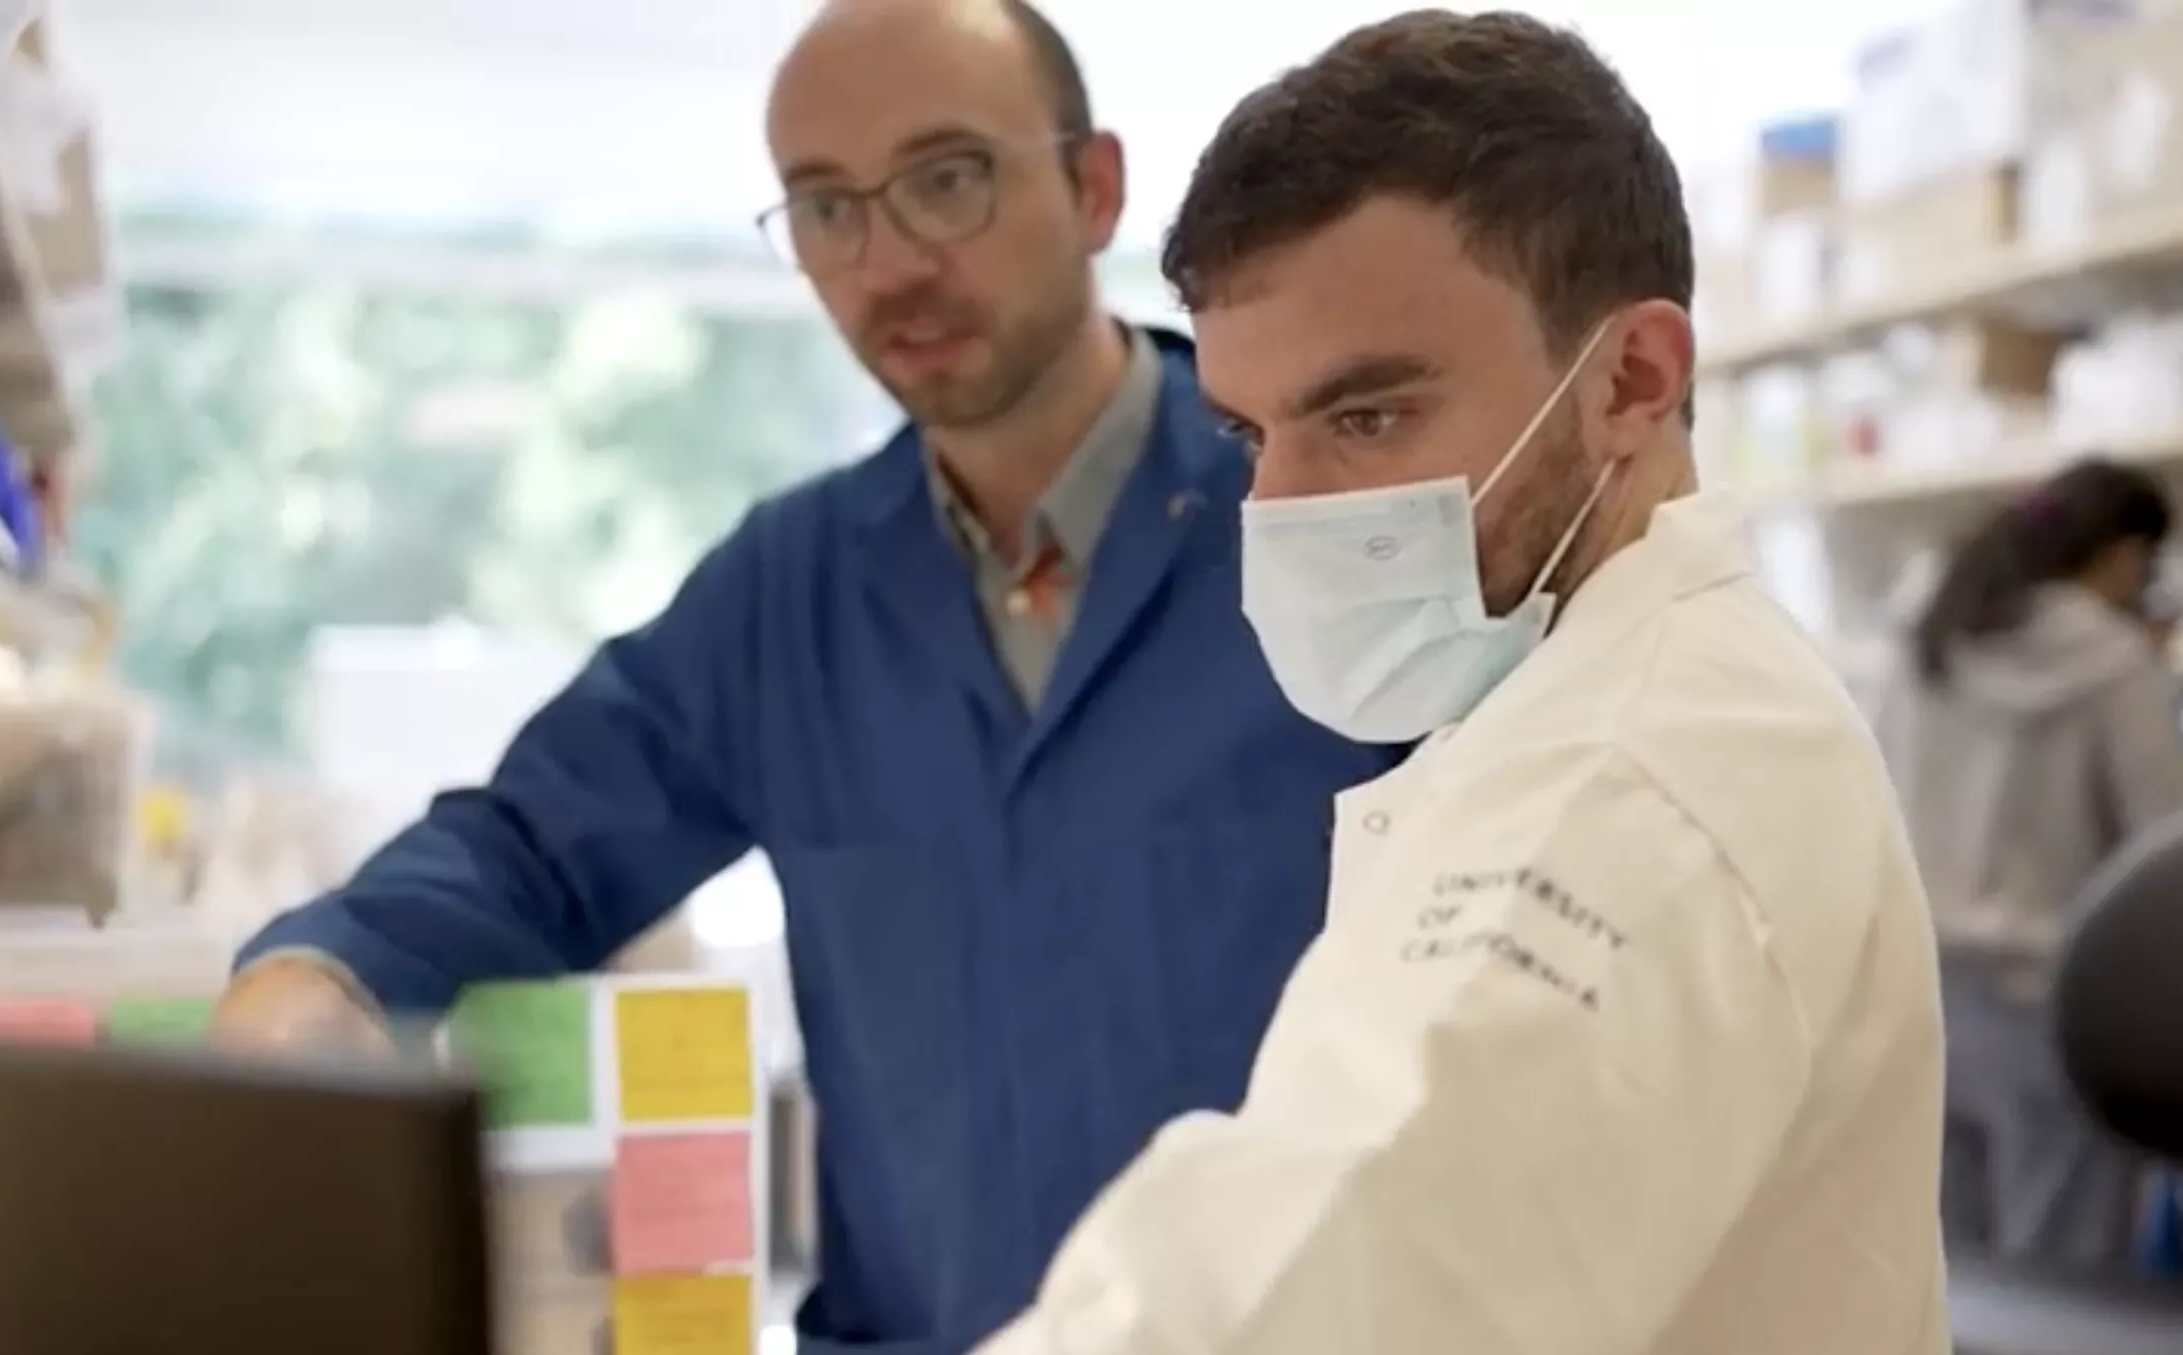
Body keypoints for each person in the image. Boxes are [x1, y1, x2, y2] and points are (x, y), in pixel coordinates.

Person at [207, 2, 1400, 1350]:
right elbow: (530, 843)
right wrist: (321, 974)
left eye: (945, 180)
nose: (887, 263)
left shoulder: (1319, 516)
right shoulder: (788, 595)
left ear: (1094, 186)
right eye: (825, 208)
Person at [968, 13, 1949, 1353]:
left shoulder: (1641, 773)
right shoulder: (1569, 683)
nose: (1284, 505)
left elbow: (1332, 1268)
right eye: (1254, 432)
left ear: (1631, 379)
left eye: (1367, 416)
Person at [1867, 457, 2183, 1268]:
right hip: (2044, 1006)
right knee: (2065, 1287)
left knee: (1950, 1285)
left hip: (1916, 993)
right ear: (2123, 553)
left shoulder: (1926, 624)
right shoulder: (2111, 658)